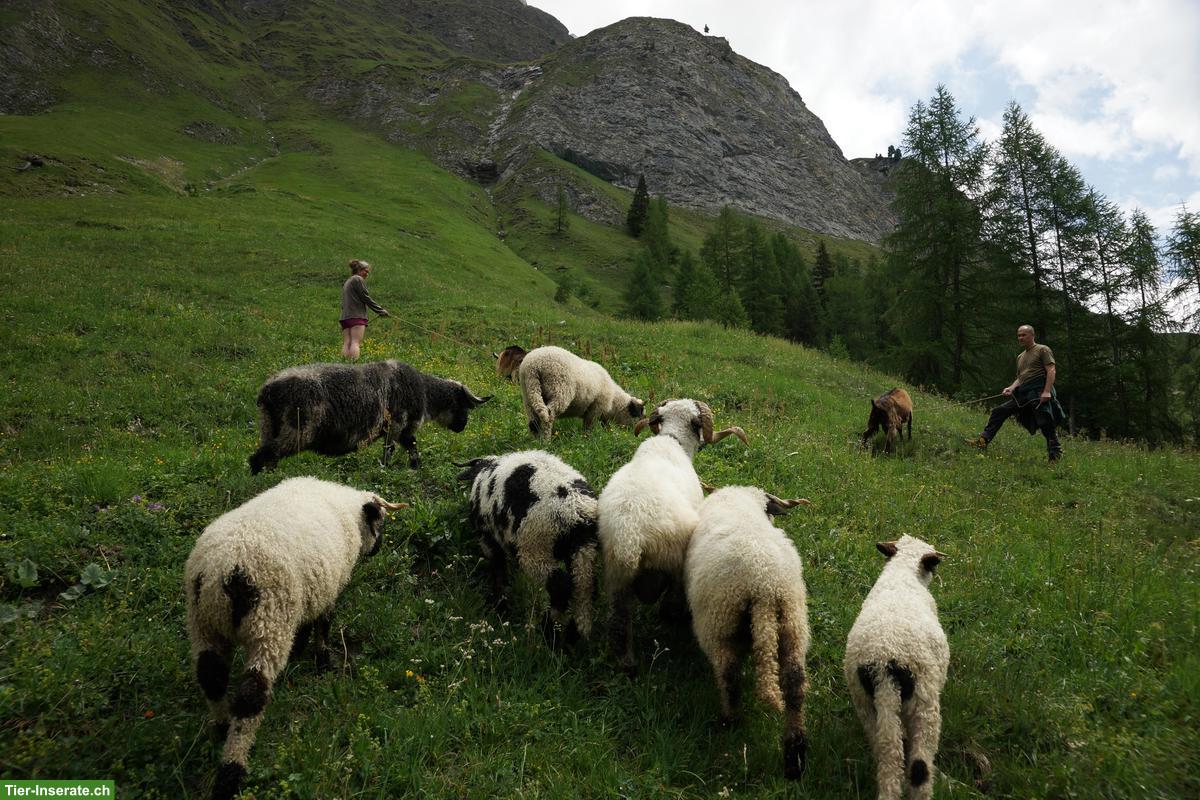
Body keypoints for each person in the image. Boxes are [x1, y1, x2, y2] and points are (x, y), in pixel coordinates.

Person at [966, 324, 1065, 462]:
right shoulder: (1020, 357)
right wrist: (1011, 388)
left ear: (1032, 335)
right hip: (1024, 393)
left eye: (1024, 335)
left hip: (1038, 391)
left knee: (1045, 423)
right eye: (1019, 335)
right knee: (999, 411)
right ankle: (983, 441)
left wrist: (1047, 391)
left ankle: (1055, 455)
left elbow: (1051, 370)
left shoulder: (1042, 349)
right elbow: (1021, 377)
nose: (1020, 338)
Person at [340, 259, 389, 361]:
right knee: (355, 342)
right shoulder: (358, 279)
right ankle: (353, 368)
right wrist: (380, 310)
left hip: (345, 317)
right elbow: (365, 297)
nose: (367, 274)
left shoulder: (348, 281)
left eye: (368, 272)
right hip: (356, 316)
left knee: (347, 342)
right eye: (365, 271)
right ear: (359, 270)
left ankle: (343, 366)